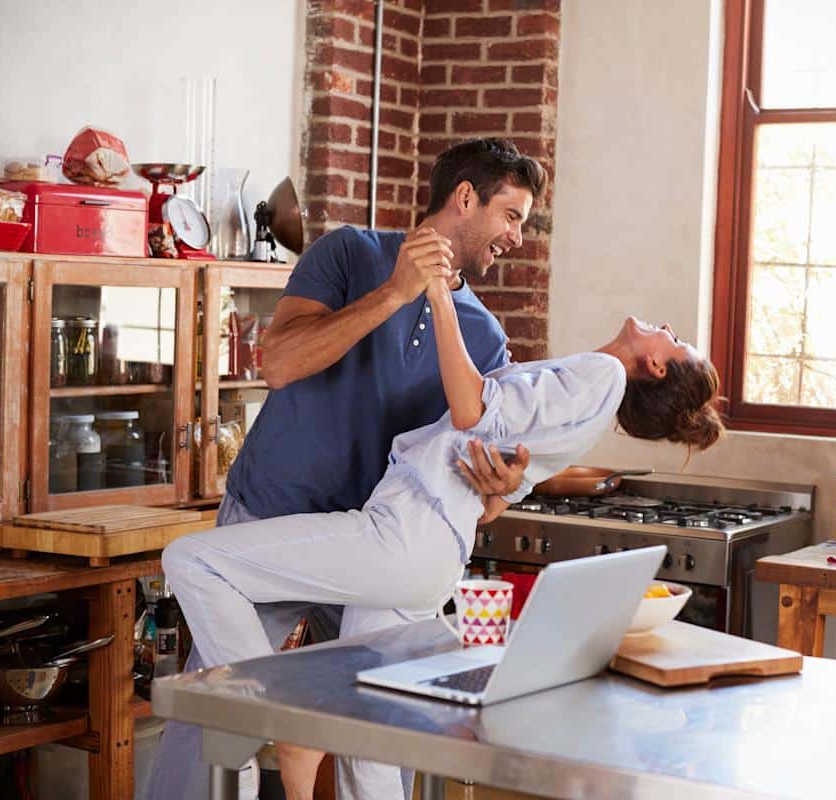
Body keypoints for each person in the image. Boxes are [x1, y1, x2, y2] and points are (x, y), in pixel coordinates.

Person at [162, 273, 725, 798]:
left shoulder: (600, 377)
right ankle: (287, 724)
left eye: (676, 341)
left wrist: (436, 295)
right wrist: (501, 486)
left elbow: (470, 406)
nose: (667, 330)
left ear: (655, 365)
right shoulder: (592, 395)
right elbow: (495, 490)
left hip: (406, 532)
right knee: (370, 738)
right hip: (432, 549)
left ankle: (280, 719)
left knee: (193, 560)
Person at [146, 138, 547, 800]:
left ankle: (291, 730)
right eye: (512, 215)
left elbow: (474, 478)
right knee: (214, 709)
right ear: (465, 197)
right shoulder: (349, 253)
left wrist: (503, 488)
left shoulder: (483, 338)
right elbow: (279, 363)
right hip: (275, 513)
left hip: (369, 544)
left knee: (374, 724)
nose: (518, 237)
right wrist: (395, 293)